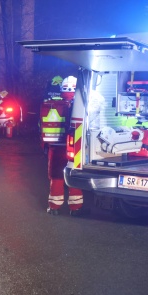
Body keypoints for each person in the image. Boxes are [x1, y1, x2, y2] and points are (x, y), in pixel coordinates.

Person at [43, 75, 86, 216]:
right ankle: (76, 208)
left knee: (56, 175)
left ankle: (54, 207)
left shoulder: (50, 104)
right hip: (75, 146)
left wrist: (44, 145)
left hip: (56, 146)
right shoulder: (83, 105)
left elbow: (42, 126)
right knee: (74, 174)